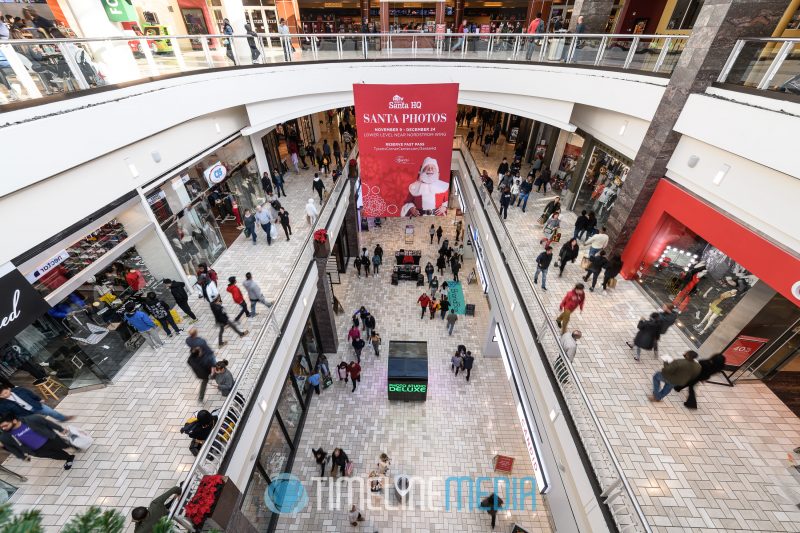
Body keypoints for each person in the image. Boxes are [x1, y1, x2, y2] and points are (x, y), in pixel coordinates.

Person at [0, 413, 75, 470]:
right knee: (55, 455)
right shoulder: (5, 436)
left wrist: (60, 429)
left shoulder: (31, 419)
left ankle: (73, 445)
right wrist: (22, 456)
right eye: (1, 427)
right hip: (37, 451)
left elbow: (47, 423)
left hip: (50, 439)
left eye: (5, 425)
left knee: (64, 445)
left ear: (14, 421)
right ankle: (69, 458)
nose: (3, 428)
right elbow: (12, 448)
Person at [0, 385, 71, 422]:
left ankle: (63, 418)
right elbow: (7, 413)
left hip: (34, 405)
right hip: (24, 414)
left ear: (8, 389)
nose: (5, 395)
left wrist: (39, 399)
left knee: (50, 411)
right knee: (38, 422)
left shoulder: (19, 390)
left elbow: (30, 394)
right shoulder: (2, 404)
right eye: (2, 395)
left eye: (5, 393)